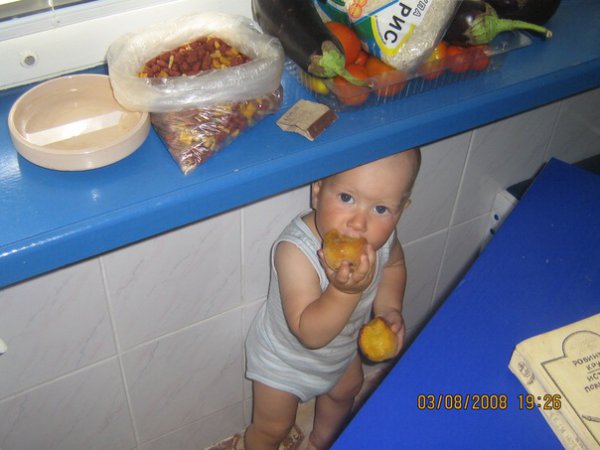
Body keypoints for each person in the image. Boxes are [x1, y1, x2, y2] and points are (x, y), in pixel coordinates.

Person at [244, 148, 421, 450]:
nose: (359, 224)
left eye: (380, 209)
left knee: (347, 391)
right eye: (347, 198)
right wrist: (344, 292)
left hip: (341, 349)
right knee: (273, 427)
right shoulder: (296, 252)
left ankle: (323, 440)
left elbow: (394, 266)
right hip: (285, 360)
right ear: (317, 191)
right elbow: (310, 333)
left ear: (401, 211)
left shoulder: (381, 242)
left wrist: (389, 310)